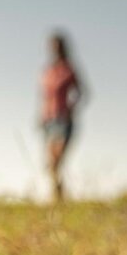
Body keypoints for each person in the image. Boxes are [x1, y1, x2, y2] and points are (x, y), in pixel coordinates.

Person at [40, 32, 82, 202]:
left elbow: (81, 92)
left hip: (64, 119)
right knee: (51, 164)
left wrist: (71, 108)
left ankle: (59, 199)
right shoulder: (48, 70)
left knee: (57, 162)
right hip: (48, 120)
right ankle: (57, 198)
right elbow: (44, 95)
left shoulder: (69, 68)